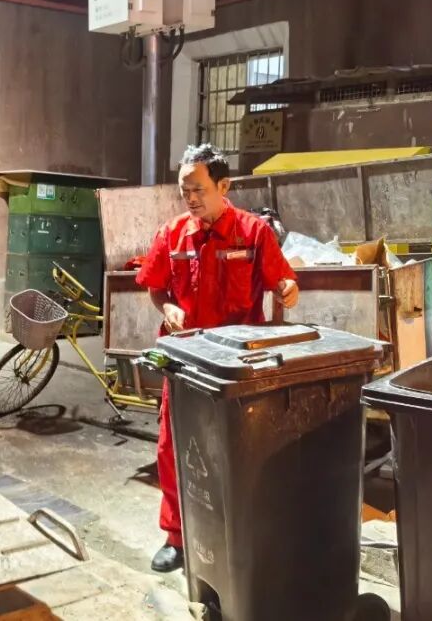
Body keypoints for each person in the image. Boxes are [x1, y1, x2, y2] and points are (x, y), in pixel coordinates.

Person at [136, 145, 300, 573]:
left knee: (241, 450)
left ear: (223, 186)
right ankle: (177, 537)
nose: (190, 199)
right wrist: (167, 307)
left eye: (199, 190)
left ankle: (242, 535)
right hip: (186, 359)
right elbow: (155, 286)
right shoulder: (172, 234)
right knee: (175, 447)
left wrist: (288, 289)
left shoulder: (253, 233)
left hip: (238, 367)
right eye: (184, 190)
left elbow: (283, 279)